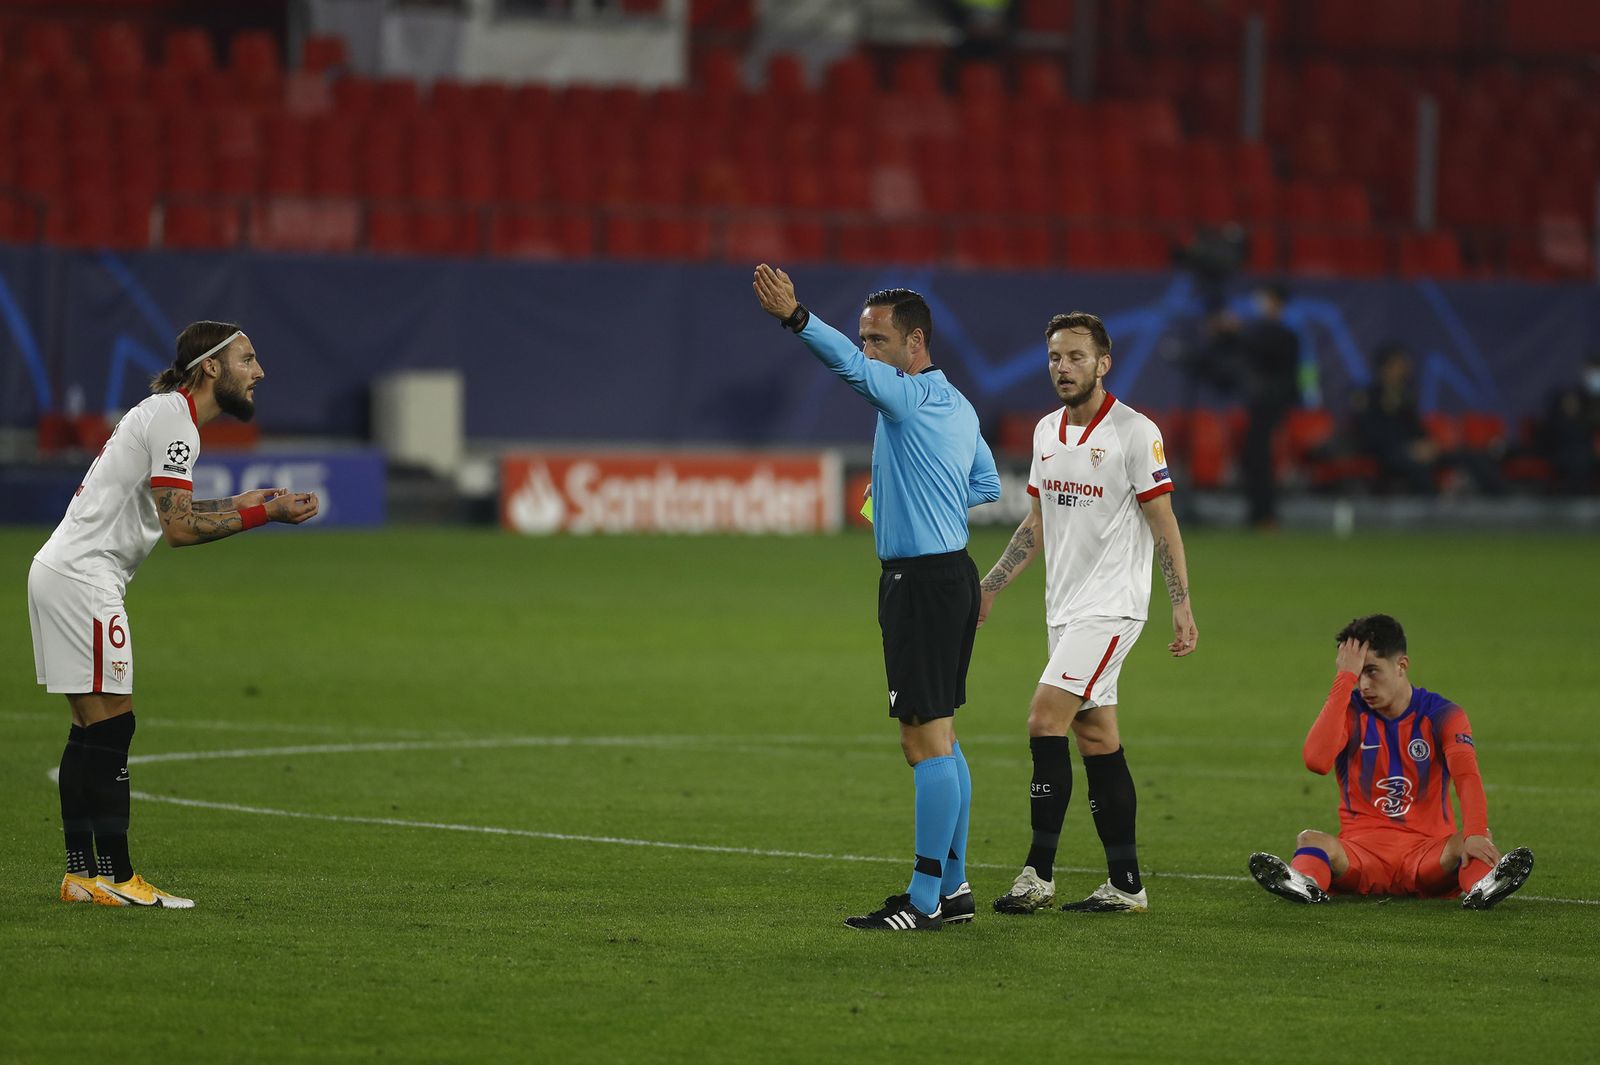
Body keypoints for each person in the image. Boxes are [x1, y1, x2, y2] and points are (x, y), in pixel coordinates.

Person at [29, 321, 319, 909]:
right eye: (248, 359)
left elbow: (169, 508)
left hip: (62, 571)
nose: (258, 372)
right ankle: (119, 877)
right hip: (86, 580)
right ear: (211, 367)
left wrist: (238, 504)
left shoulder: (165, 413)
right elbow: (181, 528)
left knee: (92, 727)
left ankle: (82, 876)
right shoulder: (175, 421)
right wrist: (267, 518)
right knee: (113, 726)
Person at [752, 265, 1000, 931]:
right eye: (863, 337)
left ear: (914, 345)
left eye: (877, 340)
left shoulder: (906, 397)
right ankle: (956, 888)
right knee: (943, 733)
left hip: (920, 583)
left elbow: (850, 374)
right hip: (950, 574)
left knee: (922, 741)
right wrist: (909, 493)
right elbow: (984, 481)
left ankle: (923, 900)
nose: (868, 351)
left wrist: (798, 317)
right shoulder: (958, 404)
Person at [979, 311, 1197, 916]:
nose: (1063, 367)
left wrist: (1180, 603)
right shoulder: (1046, 431)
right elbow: (1037, 521)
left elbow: (1164, 522)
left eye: (1076, 357)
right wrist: (990, 585)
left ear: (1103, 363)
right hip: (1065, 611)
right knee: (1097, 737)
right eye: (1054, 356)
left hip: (1112, 609)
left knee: (1043, 719)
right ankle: (1126, 884)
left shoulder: (1134, 432)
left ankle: (1037, 874)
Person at [1248, 614, 1534, 909]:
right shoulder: (1348, 711)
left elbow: (1467, 777)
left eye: (1371, 671)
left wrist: (1474, 833)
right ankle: (1305, 884)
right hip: (1360, 857)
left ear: (1402, 666)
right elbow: (1316, 761)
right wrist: (1342, 681)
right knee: (1310, 840)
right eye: (1356, 673)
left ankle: (1482, 887)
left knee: (1473, 838)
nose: (1363, 685)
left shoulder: (1443, 715)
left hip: (1427, 858)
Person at [1200, 282, 1301, 528]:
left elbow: (1256, 343)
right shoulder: (1262, 332)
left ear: (1276, 302)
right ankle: (1258, 513)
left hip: (1272, 406)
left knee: (1261, 458)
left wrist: (1232, 330)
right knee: (1254, 458)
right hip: (1260, 405)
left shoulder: (1284, 335)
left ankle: (1266, 514)